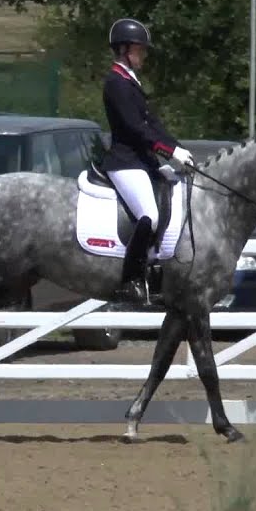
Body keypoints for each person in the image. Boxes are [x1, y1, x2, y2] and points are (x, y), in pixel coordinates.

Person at [100, 17, 193, 303]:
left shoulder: (132, 82)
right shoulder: (116, 83)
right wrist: (168, 152)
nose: (144, 55)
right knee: (149, 217)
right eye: (140, 50)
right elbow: (135, 129)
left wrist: (178, 150)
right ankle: (130, 279)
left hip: (142, 160)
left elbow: (153, 124)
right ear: (125, 49)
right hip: (124, 161)